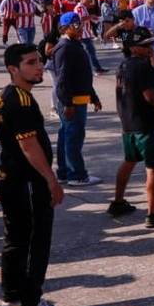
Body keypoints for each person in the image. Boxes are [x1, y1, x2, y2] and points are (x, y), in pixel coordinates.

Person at [0, 44, 72, 306]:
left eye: (39, 61)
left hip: (11, 178)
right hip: (25, 182)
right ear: (13, 69)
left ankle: (12, 301)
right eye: (30, 63)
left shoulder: (9, 95)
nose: (39, 66)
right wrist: (51, 181)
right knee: (34, 244)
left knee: (14, 241)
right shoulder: (20, 101)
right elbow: (29, 146)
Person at [109, 27, 154, 227]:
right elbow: (150, 96)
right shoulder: (143, 67)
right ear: (134, 48)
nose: (150, 48)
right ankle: (152, 213)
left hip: (129, 123)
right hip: (148, 125)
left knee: (129, 161)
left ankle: (118, 201)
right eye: (146, 45)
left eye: (150, 44)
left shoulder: (124, 66)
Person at [51, 12, 103, 187]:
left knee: (67, 135)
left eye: (80, 24)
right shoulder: (64, 48)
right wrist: (68, 103)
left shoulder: (74, 45)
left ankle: (65, 172)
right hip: (71, 101)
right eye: (75, 25)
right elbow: (62, 80)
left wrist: (93, 97)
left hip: (80, 98)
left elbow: (82, 76)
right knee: (73, 136)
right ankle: (77, 175)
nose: (80, 28)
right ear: (65, 28)